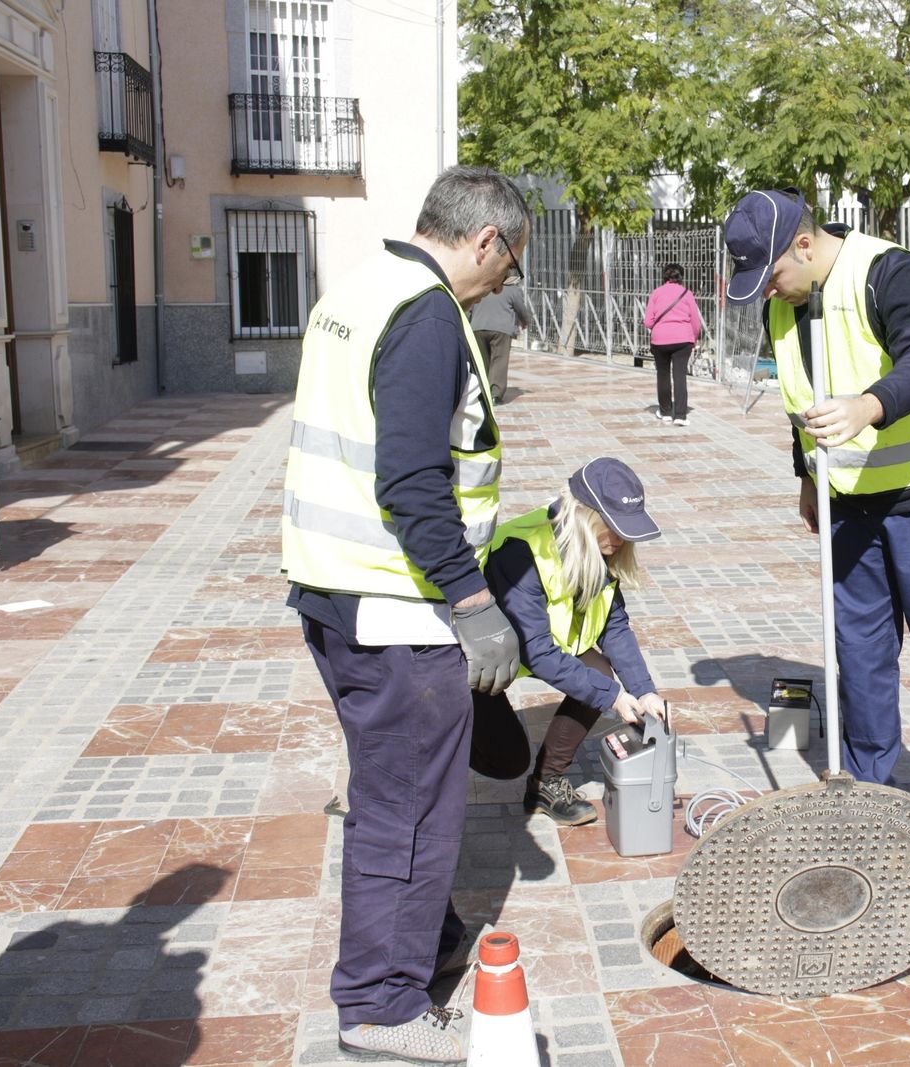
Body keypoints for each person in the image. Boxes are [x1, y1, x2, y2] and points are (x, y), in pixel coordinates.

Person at [281, 165, 530, 1064]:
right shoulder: (426, 315)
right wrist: (472, 602)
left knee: (395, 793)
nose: (506, 282)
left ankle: (420, 938)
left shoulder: (358, 289)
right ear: (485, 240)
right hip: (399, 609)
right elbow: (414, 481)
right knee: (411, 809)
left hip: (335, 590)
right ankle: (383, 1004)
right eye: (510, 263)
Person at [722, 187, 910, 872]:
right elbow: (802, 402)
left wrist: (869, 406)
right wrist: (807, 479)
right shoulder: (781, 307)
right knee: (860, 655)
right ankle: (868, 792)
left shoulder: (890, 273)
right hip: (849, 505)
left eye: (774, 273)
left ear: (805, 245)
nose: (771, 290)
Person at [467, 457, 668, 825]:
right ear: (585, 514)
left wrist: (643, 690)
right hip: (481, 659)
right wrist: (611, 696)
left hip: (533, 651)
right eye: (614, 527)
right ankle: (425, 749)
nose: (621, 539)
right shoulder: (521, 553)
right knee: (506, 760)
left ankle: (546, 783)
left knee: (598, 673)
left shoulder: (600, 548)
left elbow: (613, 624)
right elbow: (537, 651)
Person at [642, 262, 703, 425]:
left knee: (662, 375)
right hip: (683, 340)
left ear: (664, 276)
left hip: (660, 340)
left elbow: (648, 322)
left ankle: (665, 412)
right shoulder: (687, 294)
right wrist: (695, 339)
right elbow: (695, 322)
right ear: (681, 277)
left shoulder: (655, 293)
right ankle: (681, 416)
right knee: (680, 376)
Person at [468, 276, 534, 404]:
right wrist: (525, 321)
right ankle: (495, 395)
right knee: (499, 361)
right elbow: (521, 308)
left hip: (477, 328)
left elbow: (469, 308)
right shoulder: (511, 290)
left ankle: (482, 392)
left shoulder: (481, 287)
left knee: (482, 361)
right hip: (501, 330)